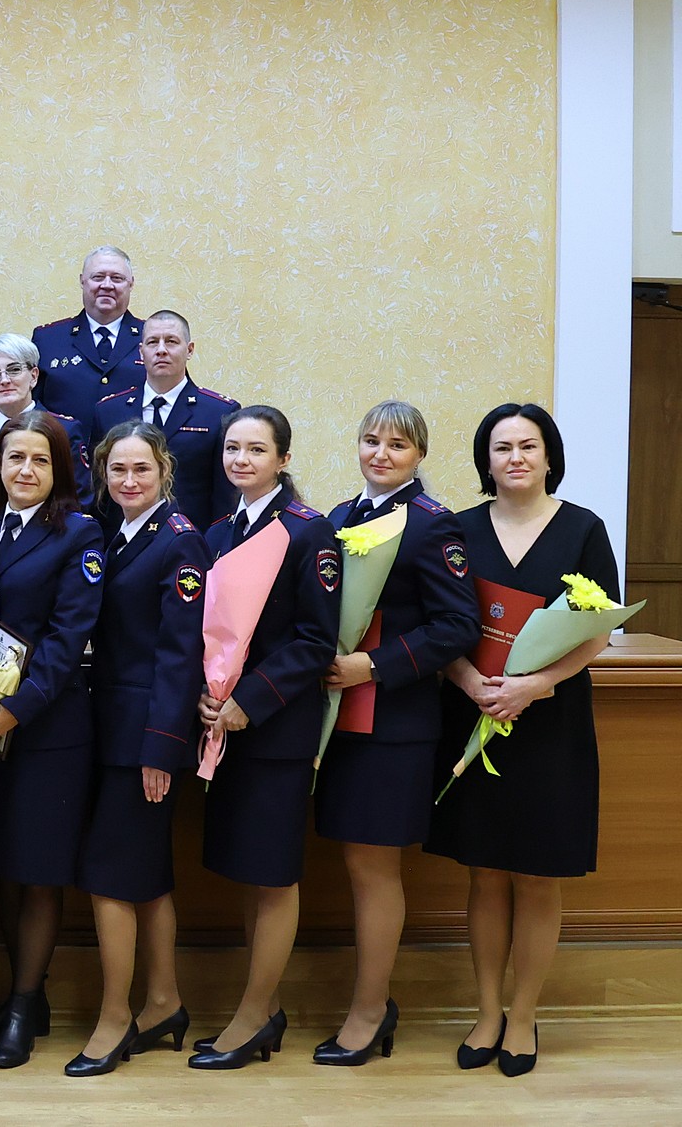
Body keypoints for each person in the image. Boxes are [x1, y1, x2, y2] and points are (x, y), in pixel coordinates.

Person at [425, 404, 619, 1079]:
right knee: (485, 872)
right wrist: (474, 680)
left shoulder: (583, 529)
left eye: (527, 445)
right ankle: (485, 1010)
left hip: (549, 723)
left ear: (547, 455)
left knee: (537, 875)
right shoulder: (458, 529)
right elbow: (438, 621)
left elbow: (597, 632)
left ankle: (525, 1014)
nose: (515, 456)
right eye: (501, 446)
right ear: (485, 460)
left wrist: (532, 686)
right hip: (473, 711)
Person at [313, 401, 479, 1066]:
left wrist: (370, 665)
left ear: (420, 456)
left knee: (372, 866)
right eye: (371, 440)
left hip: (393, 724)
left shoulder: (434, 526)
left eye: (399, 445)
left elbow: (456, 626)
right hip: (340, 721)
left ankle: (370, 1009)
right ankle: (369, 1001)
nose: (382, 453)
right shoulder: (338, 517)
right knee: (353, 862)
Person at [0, 410, 104, 1070]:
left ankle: (24, 1001)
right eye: (15, 458)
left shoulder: (80, 534)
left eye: (40, 459)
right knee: (3, 865)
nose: (26, 470)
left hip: (47, 726)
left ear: (60, 468)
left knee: (38, 871)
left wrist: (16, 710)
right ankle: (23, 997)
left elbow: (70, 642)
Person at [189, 405, 340, 1070]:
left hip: (275, 727)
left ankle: (254, 1016)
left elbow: (315, 638)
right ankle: (262, 1006)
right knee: (249, 868)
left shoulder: (310, 532)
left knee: (274, 874)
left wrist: (249, 701)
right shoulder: (221, 529)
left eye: (256, 449)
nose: (241, 460)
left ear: (283, 458)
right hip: (225, 727)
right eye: (232, 448)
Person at [68, 422, 205, 1076]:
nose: (127, 480)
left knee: (110, 879)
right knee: (145, 879)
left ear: (164, 472)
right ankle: (164, 1000)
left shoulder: (180, 542)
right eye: (116, 469)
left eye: (140, 470)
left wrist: (160, 748)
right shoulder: (117, 532)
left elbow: (181, 658)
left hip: (144, 739)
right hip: (111, 727)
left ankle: (115, 1017)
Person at [91, 310, 239, 528]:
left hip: (192, 544)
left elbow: (226, 495)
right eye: (152, 342)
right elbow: (99, 491)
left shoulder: (219, 413)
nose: (161, 350)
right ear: (141, 352)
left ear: (189, 350)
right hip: (122, 544)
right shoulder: (109, 411)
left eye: (171, 342)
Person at [0, 334, 90, 544]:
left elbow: (76, 503)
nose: (4, 380)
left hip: (43, 553)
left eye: (14, 370)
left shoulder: (64, 430)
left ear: (33, 376)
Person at [32, 245, 145, 438]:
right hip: (65, 459)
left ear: (131, 284)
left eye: (117, 278)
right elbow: (31, 404)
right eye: (98, 277)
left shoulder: (152, 338)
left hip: (131, 462)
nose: (107, 285)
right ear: (82, 281)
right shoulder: (48, 339)